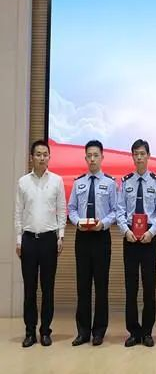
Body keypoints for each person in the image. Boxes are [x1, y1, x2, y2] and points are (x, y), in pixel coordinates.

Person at [15, 139, 66, 348]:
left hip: (48, 240)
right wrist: (19, 240)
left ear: (49, 157)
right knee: (29, 289)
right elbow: (18, 212)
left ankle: (45, 331)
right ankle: (30, 332)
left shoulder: (57, 181)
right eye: (38, 154)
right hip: (28, 240)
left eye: (45, 154)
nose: (42, 157)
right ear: (32, 157)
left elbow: (62, 209)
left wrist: (60, 236)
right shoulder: (23, 182)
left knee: (47, 288)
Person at [67, 139, 117, 346]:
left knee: (101, 286)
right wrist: (77, 222)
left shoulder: (110, 183)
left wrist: (103, 224)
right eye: (89, 156)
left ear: (102, 157)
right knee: (83, 286)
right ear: (85, 158)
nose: (93, 159)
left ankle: (99, 331)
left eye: (96, 155)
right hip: (82, 238)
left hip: (101, 237)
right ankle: (83, 331)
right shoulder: (78, 183)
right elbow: (71, 208)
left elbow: (115, 211)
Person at [116, 139, 156, 347]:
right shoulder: (126, 182)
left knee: (149, 287)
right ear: (132, 157)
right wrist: (125, 231)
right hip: (130, 239)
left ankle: (147, 332)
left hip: (149, 238)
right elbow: (119, 211)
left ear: (148, 156)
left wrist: (152, 232)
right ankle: (133, 332)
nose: (139, 157)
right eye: (136, 154)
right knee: (131, 287)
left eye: (142, 153)